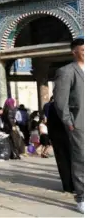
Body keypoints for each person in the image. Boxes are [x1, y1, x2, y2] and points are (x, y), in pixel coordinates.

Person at [53, 38, 84, 213]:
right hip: (79, 122)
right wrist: (69, 122)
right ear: (74, 51)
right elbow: (59, 101)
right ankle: (81, 198)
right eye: (83, 50)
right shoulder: (66, 72)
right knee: (81, 159)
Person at [47, 98, 74, 193]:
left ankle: (67, 186)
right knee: (72, 160)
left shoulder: (52, 106)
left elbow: (49, 123)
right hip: (70, 135)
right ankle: (75, 184)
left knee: (62, 161)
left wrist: (50, 137)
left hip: (57, 137)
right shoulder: (71, 103)